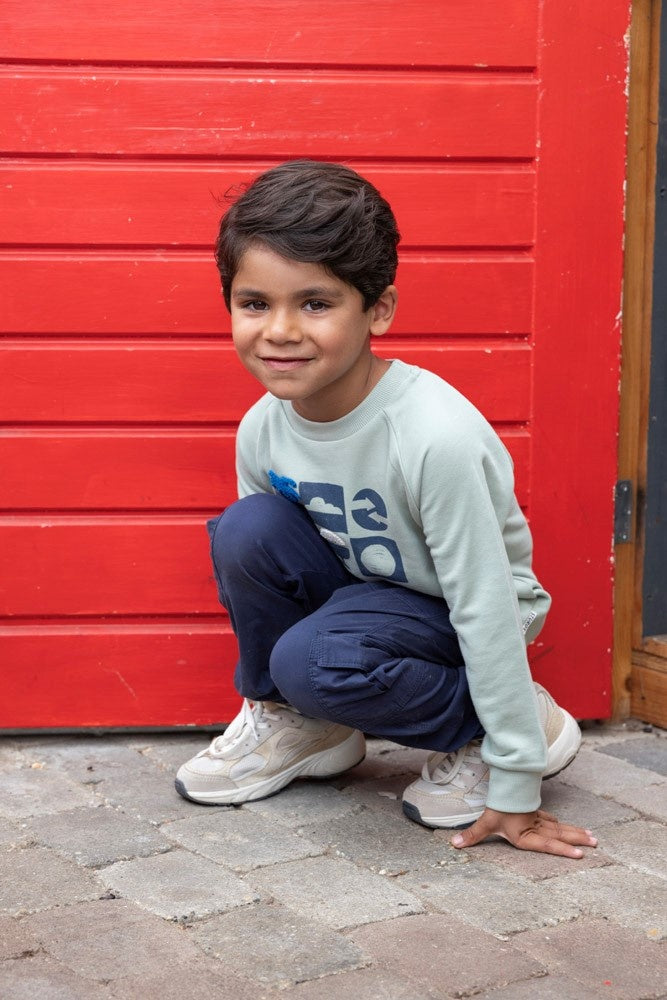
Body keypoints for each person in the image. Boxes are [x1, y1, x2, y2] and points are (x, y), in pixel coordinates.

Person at [175, 159, 597, 858]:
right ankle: (302, 723)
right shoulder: (263, 428)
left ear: (379, 309)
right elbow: (267, 578)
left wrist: (516, 780)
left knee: (313, 659)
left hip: (458, 610)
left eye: (315, 304)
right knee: (248, 529)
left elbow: (484, 602)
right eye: (254, 304)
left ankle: (504, 726)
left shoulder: (432, 436)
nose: (280, 330)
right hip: (365, 603)